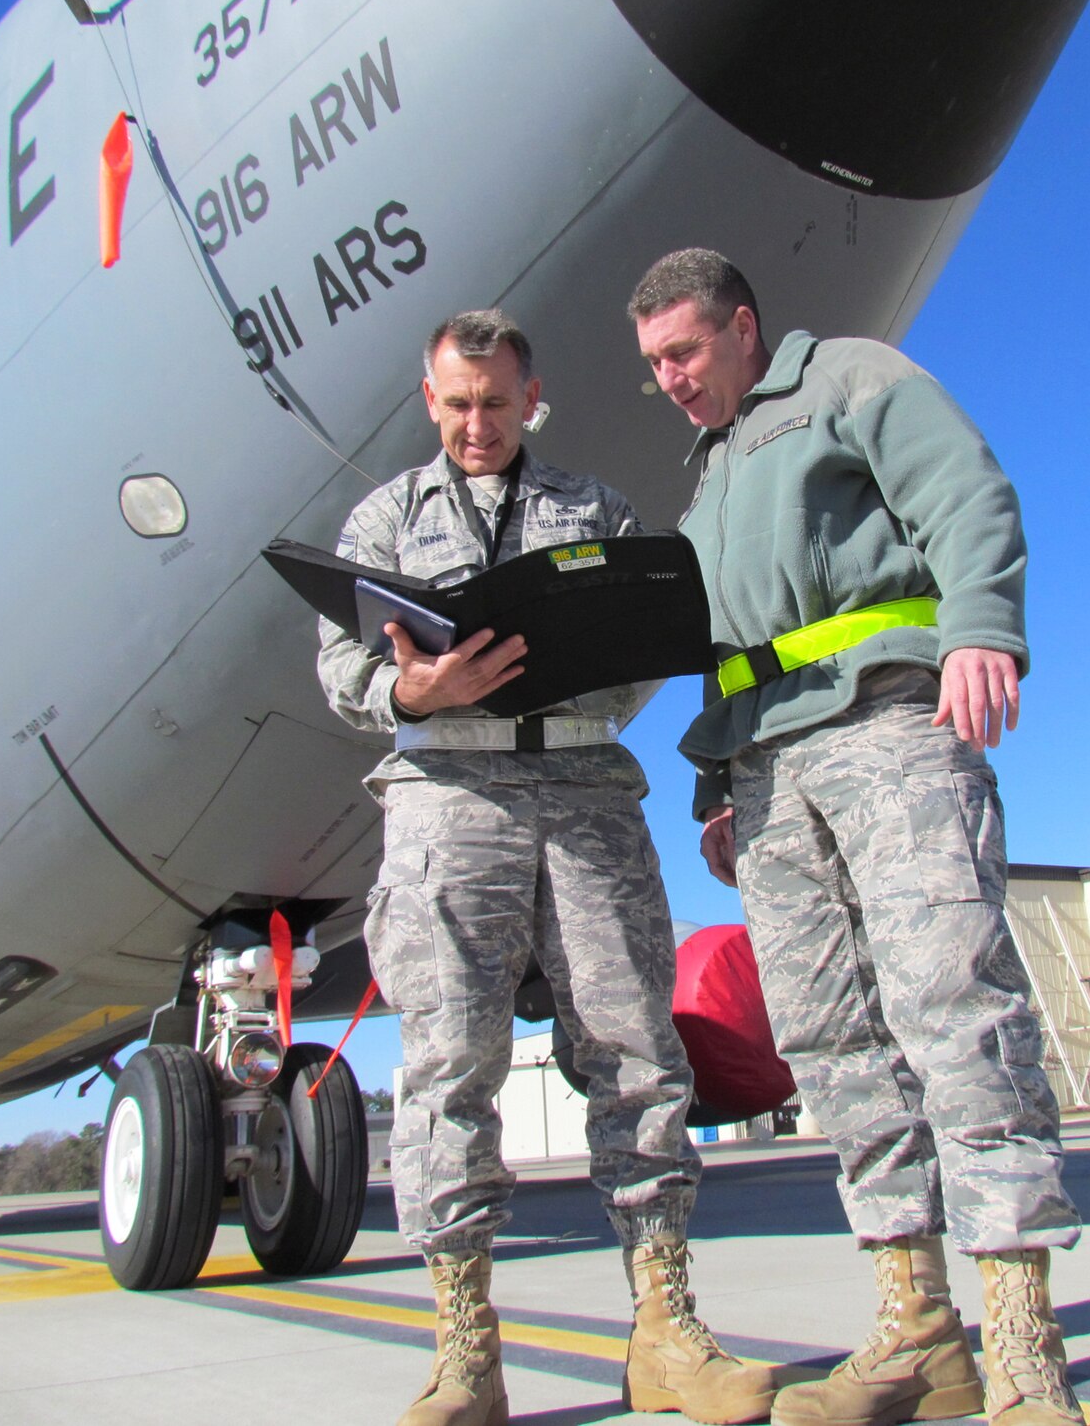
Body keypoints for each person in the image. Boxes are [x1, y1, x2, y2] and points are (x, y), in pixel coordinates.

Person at [628, 250, 1084, 1426]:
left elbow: (963, 491)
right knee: (830, 1043)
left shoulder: (843, 380)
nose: (670, 380)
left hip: (887, 724)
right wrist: (713, 788)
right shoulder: (709, 480)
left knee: (950, 1007)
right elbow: (726, 650)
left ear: (741, 329)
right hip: (765, 770)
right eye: (654, 366)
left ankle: (1024, 1350)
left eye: (681, 352)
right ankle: (918, 1331)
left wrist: (983, 626)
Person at [316, 309, 774, 1426]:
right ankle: (464, 1353)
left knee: (633, 1053)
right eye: (457, 404)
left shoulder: (593, 509)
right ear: (430, 401)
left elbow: (650, 638)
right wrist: (411, 694)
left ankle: (664, 1329)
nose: (477, 424)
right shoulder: (383, 518)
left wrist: (576, 682)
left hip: (581, 791)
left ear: (532, 398)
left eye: (496, 402)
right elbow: (337, 666)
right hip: (446, 798)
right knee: (447, 1068)